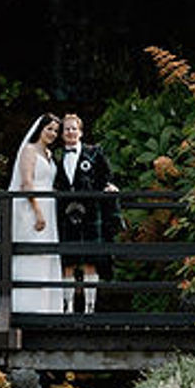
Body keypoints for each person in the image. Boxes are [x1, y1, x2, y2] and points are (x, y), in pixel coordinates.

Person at [0, 113, 63, 317]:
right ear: (40, 129)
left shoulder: (49, 154)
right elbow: (26, 183)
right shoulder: (29, 150)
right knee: (29, 252)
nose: (53, 134)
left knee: (44, 255)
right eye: (49, 129)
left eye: (55, 130)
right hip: (31, 207)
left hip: (49, 205)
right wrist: (38, 212)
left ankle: (44, 306)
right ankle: (23, 305)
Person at [53, 112, 119, 314]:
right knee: (68, 262)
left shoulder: (94, 152)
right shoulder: (56, 155)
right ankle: (68, 307)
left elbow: (105, 175)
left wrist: (109, 187)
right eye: (67, 129)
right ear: (62, 134)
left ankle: (90, 308)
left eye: (74, 128)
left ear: (80, 132)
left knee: (91, 262)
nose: (70, 132)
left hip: (91, 213)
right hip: (66, 213)